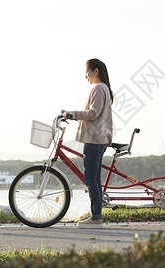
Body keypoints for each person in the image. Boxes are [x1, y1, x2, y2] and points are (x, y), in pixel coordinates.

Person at [63, 59, 114, 229]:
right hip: (100, 138)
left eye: (87, 71)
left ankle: (96, 217)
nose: (85, 75)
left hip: (94, 138)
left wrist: (71, 114)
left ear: (96, 71)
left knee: (90, 178)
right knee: (95, 179)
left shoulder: (98, 88)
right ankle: (96, 215)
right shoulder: (104, 88)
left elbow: (93, 113)